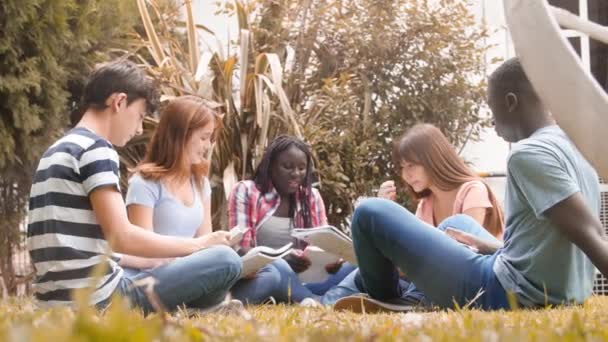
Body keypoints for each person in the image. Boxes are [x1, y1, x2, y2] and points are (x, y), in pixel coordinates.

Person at [344, 57, 605, 310]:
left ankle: (390, 301)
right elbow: (555, 239)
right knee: (454, 226)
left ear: (511, 102)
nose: (492, 121)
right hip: (546, 286)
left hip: (508, 292)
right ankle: (417, 298)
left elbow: (590, 232)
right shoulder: (572, 146)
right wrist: (489, 246)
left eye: (492, 108)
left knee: (369, 212)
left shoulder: (528, 154)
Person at [26, 60, 241, 313]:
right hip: (100, 300)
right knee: (226, 260)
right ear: (119, 102)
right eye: (139, 116)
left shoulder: (56, 150)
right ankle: (203, 307)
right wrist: (201, 245)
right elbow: (121, 237)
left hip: (52, 303)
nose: (139, 129)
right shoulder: (97, 149)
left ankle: (200, 308)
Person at [323, 124, 505, 305]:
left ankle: (397, 302)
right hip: (429, 279)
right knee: (361, 271)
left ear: (435, 159)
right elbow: (416, 256)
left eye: (412, 165)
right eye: (402, 167)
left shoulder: (472, 191)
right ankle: (327, 302)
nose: (406, 175)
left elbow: (467, 254)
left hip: (466, 281)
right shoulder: (426, 204)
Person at [228, 135, 355, 304]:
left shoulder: (311, 197)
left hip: (308, 280)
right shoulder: (247, 191)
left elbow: (323, 243)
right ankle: (319, 301)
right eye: (287, 167)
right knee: (278, 268)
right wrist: (280, 258)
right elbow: (240, 249)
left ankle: (310, 297)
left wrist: (333, 260)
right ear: (271, 165)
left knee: (357, 265)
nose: (296, 174)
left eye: (302, 168)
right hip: (267, 275)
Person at [120, 95, 221, 277]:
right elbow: (143, 251)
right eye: (204, 138)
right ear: (180, 136)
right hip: (154, 275)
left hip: (190, 271)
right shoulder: (144, 183)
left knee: (276, 270)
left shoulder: (201, 183)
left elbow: (206, 243)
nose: (207, 146)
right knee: (227, 262)